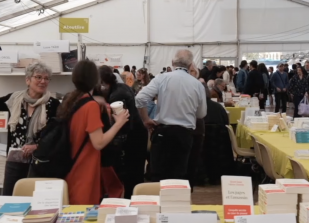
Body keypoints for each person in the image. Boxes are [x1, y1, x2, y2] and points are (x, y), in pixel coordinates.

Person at [0, 62, 60, 194]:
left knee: (36, 198)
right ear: (28, 80)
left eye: (46, 78)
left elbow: (56, 135)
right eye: (38, 77)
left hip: (41, 161)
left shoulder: (54, 105)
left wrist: (37, 146)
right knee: (10, 196)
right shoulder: (15, 99)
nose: (43, 81)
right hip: (16, 160)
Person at [62, 60, 129, 205]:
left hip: (71, 167)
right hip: (85, 169)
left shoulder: (71, 101)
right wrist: (119, 122)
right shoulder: (91, 106)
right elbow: (99, 142)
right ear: (95, 80)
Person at [136, 49, 207, 181]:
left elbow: (140, 98)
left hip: (163, 132)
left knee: (158, 175)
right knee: (179, 176)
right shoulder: (198, 85)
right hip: (184, 134)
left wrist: (146, 119)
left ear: (172, 62)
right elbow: (201, 113)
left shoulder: (162, 78)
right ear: (191, 65)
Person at [99, 65, 147, 199]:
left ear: (104, 82)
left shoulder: (117, 97)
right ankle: (134, 200)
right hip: (138, 135)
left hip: (132, 138)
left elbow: (122, 122)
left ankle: (130, 202)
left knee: (130, 176)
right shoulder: (122, 87)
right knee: (135, 175)